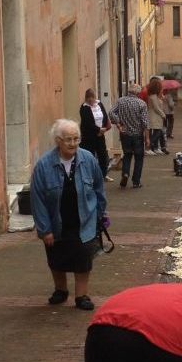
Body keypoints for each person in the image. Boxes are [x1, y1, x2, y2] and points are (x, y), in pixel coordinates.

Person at [30, 119, 108, 312]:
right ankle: (61, 290)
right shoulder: (44, 165)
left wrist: (100, 213)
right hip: (57, 221)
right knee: (57, 257)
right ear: (58, 141)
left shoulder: (88, 159)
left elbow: (99, 187)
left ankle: (81, 296)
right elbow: (37, 199)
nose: (73, 143)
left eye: (76, 139)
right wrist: (44, 229)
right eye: (68, 140)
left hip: (84, 220)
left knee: (83, 259)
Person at [109, 83, 150, 189]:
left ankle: (125, 174)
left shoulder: (121, 101)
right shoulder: (142, 104)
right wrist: (147, 138)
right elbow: (145, 123)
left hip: (125, 134)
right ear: (138, 92)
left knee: (127, 155)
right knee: (139, 158)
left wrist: (118, 124)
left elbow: (111, 112)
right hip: (137, 135)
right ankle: (136, 181)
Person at [79, 89, 112, 182]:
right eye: (88, 98)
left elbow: (105, 116)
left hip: (100, 135)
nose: (90, 100)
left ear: (95, 97)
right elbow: (87, 122)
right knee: (89, 156)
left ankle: (103, 175)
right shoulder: (84, 107)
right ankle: (89, 176)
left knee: (102, 155)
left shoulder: (99, 104)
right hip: (89, 136)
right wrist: (98, 129)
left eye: (92, 98)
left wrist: (104, 128)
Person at [145, 78, 168, 155]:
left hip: (157, 117)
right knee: (156, 133)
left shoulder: (156, 96)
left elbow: (161, 104)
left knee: (158, 132)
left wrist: (161, 96)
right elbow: (156, 108)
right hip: (154, 116)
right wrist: (163, 114)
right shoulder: (153, 97)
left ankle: (154, 148)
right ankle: (148, 147)